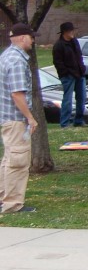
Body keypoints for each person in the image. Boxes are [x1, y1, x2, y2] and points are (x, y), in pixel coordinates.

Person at [1, 23, 38, 214]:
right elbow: (17, 94)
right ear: (23, 37)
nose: (33, 41)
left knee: (9, 159)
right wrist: (30, 118)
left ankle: (3, 198)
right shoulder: (16, 60)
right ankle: (13, 204)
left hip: (7, 118)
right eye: (32, 37)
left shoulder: (6, 55)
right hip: (15, 119)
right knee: (18, 161)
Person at [52, 21, 86, 127]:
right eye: (70, 31)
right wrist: (66, 72)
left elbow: (79, 56)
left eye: (72, 30)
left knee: (82, 98)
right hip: (68, 75)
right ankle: (65, 122)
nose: (72, 33)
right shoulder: (59, 45)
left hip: (79, 73)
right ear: (64, 32)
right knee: (68, 99)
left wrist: (82, 68)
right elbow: (58, 62)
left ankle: (78, 120)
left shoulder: (74, 42)